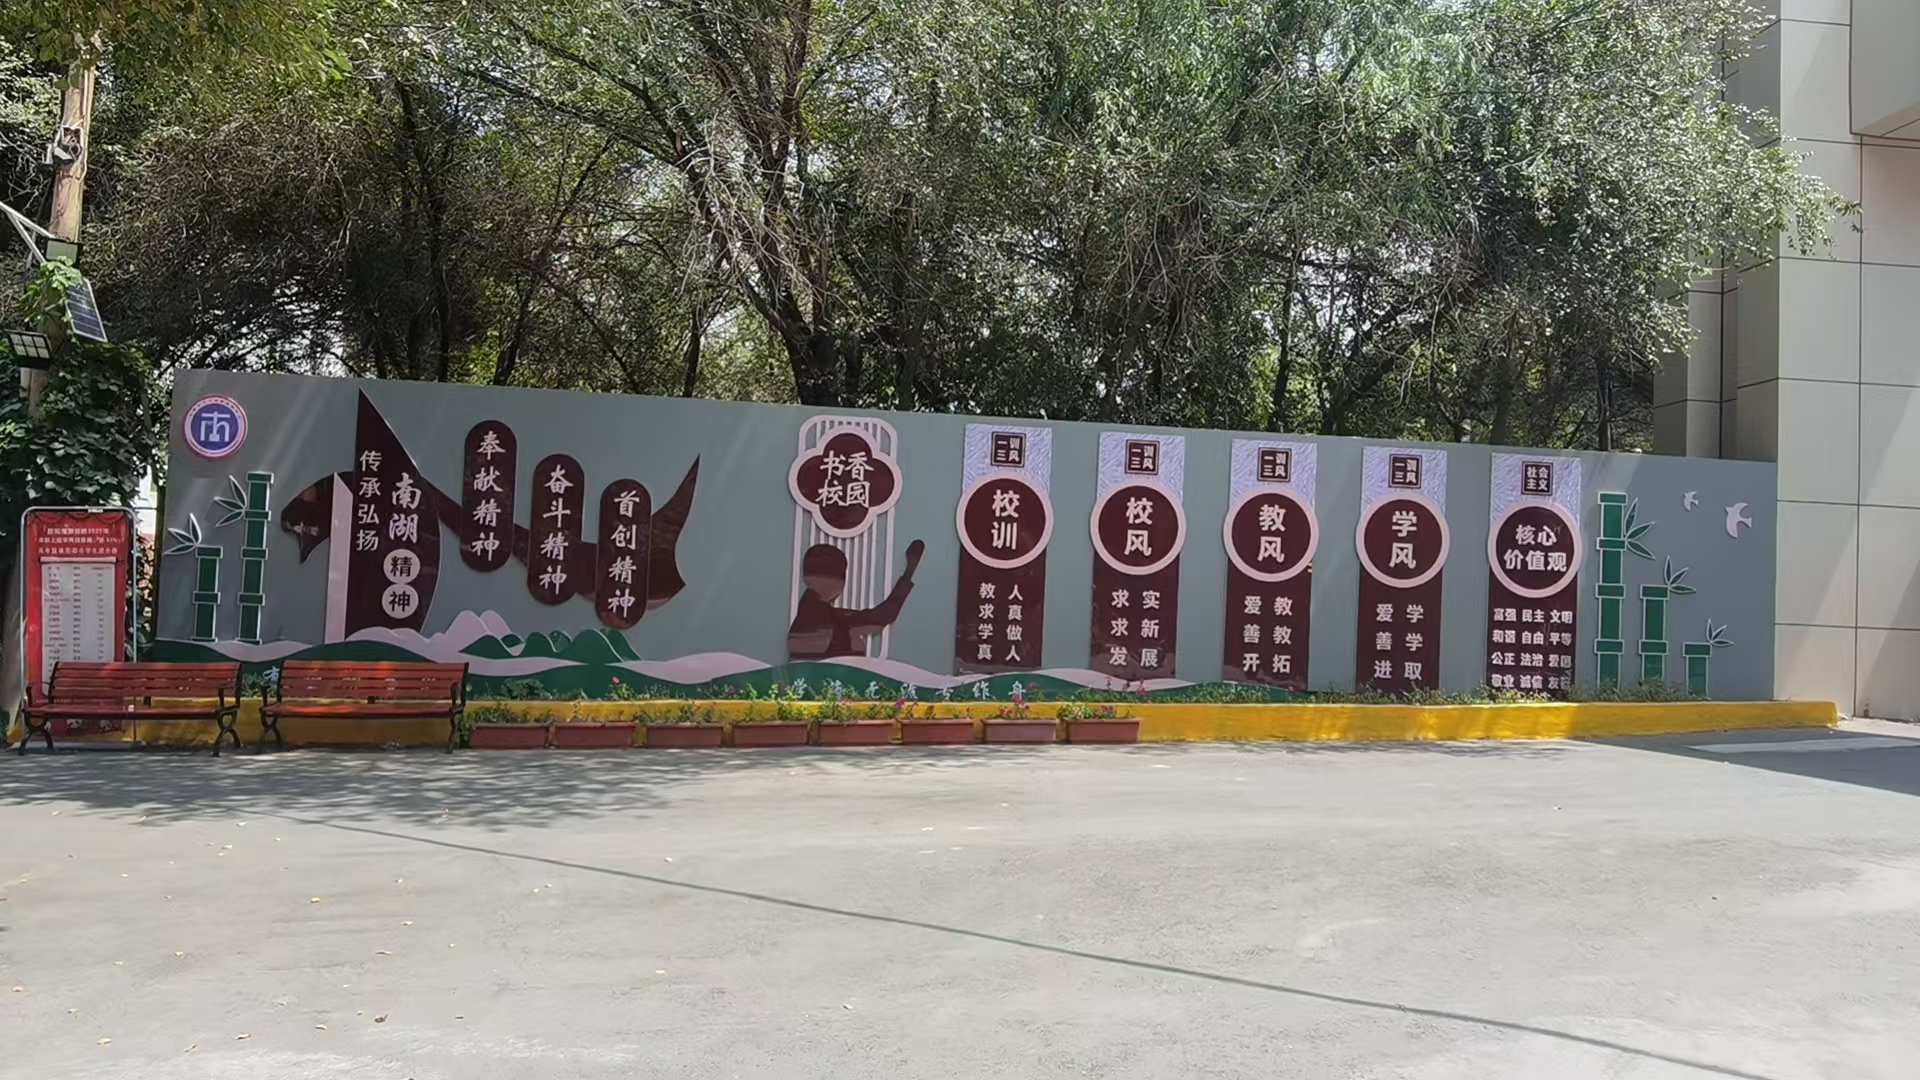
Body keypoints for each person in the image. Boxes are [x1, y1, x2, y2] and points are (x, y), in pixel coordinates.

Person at [788, 540, 925, 659]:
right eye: (840, 576)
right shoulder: (827, 617)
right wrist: (910, 570)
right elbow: (884, 616)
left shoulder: (813, 612)